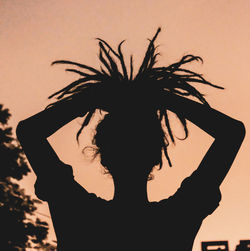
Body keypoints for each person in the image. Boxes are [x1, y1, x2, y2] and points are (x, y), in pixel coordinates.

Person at [16, 29, 245, 251]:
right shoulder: (178, 217)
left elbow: (30, 132)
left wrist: (91, 98)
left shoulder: (76, 212)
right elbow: (231, 133)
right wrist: (165, 98)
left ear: (103, 156)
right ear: (157, 155)